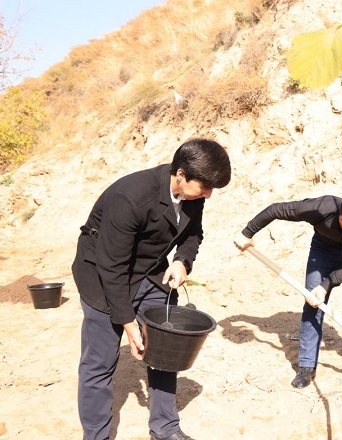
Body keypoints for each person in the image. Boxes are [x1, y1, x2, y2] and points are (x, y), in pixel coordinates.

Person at [72, 138, 232, 440]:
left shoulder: (193, 195)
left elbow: (192, 234)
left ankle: (165, 427)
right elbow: (112, 267)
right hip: (102, 276)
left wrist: (182, 261)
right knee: (99, 364)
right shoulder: (130, 197)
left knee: (166, 349)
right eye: (205, 187)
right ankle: (96, 436)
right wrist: (129, 323)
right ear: (181, 174)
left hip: (150, 273)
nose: (208, 195)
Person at [233, 194, 342, 389]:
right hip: (324, 250)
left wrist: (326, 284)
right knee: (313, 304)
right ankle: (306, 366)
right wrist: (247, 233)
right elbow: (275, 210)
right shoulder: (321, 208)